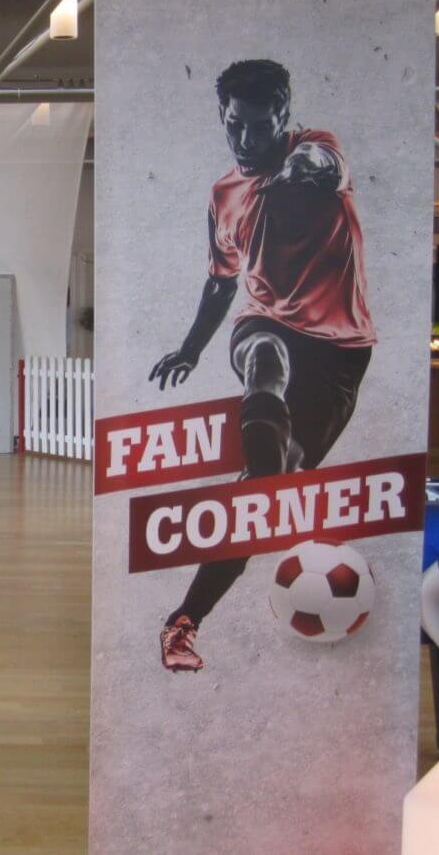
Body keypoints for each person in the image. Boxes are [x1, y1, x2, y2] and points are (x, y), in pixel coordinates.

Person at [150, 59, 375, 672]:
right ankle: (187, 624)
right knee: (265, 357)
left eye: (258, 125)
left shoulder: (318, 148)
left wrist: (296, 173)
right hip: (266, 322)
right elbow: (222, 283)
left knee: (263, 487)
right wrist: (191, 349)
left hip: (340, 352)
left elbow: (319, 164)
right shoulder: (224, 195)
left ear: (284, 115)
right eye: (233, 125)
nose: (245, 139)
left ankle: (181, 617)